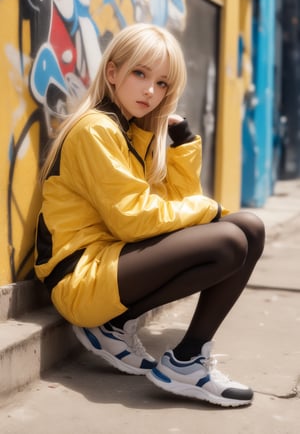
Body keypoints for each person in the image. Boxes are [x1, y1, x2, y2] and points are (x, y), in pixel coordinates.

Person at [34, 23, 265, 408]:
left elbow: (174, 211)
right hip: (79, 278)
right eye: (140, 74)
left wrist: (184, 145)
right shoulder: (96, 130)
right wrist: (209, 210)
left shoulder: (132, 132)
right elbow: (136, 220)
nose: (150, 91)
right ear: (112, 73)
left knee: (249, 229)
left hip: (112, 263)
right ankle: (181, 361)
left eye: (162, 84)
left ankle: (178, 351)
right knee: (228, 239)